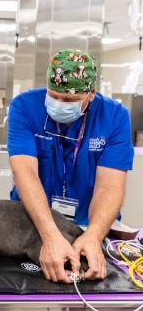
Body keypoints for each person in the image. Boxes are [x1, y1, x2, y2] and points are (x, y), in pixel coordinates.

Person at [7, 49, 134, 284]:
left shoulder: (115, 117)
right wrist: (50, 235)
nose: (59, 104)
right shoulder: (24, 107)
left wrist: (93, 236)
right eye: (53, 96)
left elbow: (109, 186)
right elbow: (25, 173)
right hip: (33, 224)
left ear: (91, 94)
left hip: (91, 225)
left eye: (70, 100)